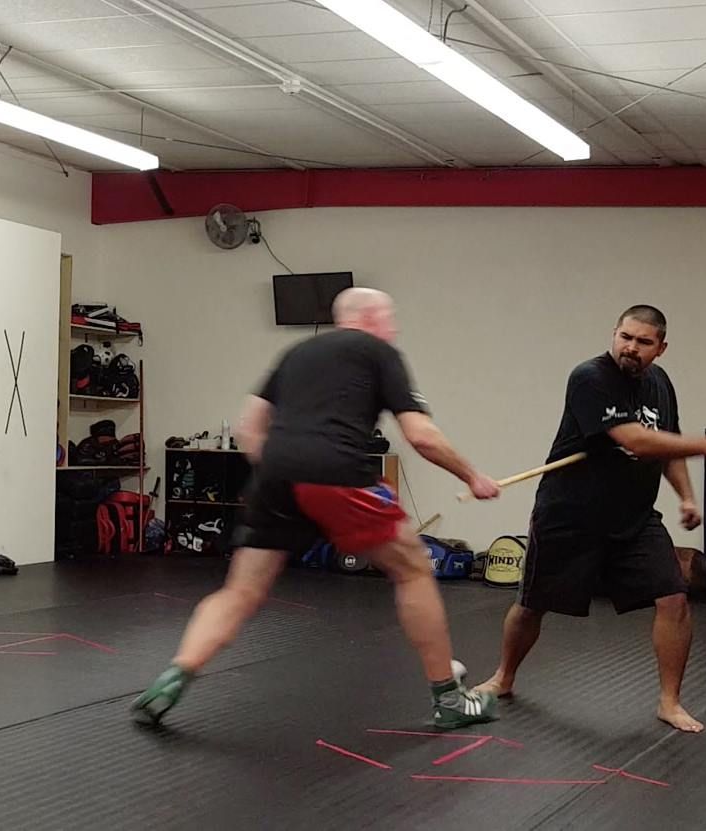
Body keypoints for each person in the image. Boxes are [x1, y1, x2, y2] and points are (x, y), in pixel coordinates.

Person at [130, 287, 503, 730]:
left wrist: (287, 480)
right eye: (390, 317)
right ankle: (449, 701)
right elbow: (420, 435)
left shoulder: (296, 353)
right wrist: (472, 476)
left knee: (240, 591)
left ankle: (176, 674)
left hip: (274, 475)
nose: (395, 326)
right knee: (414, 570)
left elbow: (250, 430)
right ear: (369, 318)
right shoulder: (379, 352)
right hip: (338, 472)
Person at [472, 305, 706, 733]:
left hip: (634, 518)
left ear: (661, 348)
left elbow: (666, 443)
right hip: (569, 515)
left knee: (674, 599)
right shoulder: (590, 378)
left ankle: (669, 702)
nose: (631, 348)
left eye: (643, 342)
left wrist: (687, 497)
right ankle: (503, 676)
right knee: (531, 605)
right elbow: (634, 439)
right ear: (614, 334)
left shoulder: (659, 384)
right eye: (625, 337)